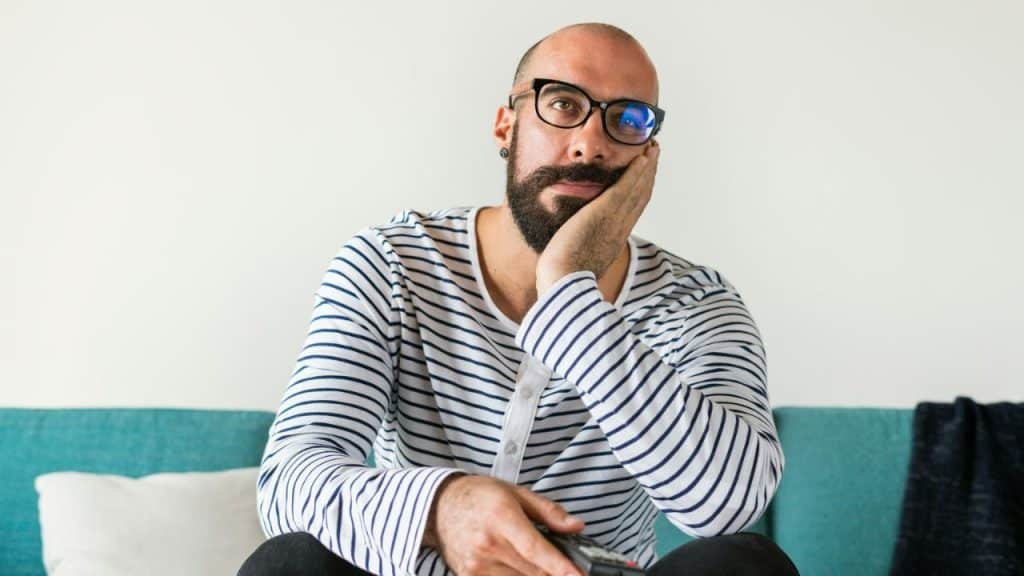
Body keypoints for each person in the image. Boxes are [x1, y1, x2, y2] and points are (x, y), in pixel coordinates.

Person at [239, 22, 798, 576]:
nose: (589, 143)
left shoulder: (697, 304)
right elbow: (290, 481)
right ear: (506, 125)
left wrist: (566, 290)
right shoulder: (392, 264)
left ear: (647, 154)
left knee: (746, 566)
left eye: (627, 119)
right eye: (560, 103)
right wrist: (442, 508)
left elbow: (729, 505)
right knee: (287, 565)